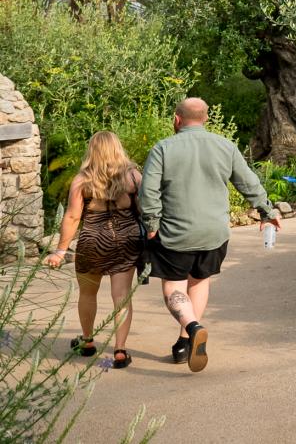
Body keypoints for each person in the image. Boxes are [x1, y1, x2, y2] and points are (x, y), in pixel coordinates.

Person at [139, 98, 279, 373]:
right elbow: (247, 181)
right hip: (215, 233)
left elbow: (149, 192)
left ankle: (193, 327)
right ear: (205, 119)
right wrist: (266, 211)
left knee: (173, 287)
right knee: (200, 282)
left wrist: (151, 223)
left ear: (176, 119)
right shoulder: (225, 146)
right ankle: (183, 343)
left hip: (175, 233)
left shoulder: (163, 148)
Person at [44, 131, 144, 369]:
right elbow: (144, 210)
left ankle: (87, 341)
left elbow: (72, 216)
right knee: (121, 296)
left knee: (88, 293)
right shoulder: (133, 176)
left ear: (92, 151)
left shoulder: (83, 181)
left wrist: (60, 250)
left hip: (92, 240)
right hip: (126, 241)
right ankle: (120, 351)